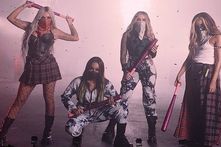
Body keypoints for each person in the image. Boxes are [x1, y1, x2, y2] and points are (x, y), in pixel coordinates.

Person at [0, 2, 79, 146]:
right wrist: (25, 6)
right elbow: (11, 18)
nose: (46, 20)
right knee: (19, 101)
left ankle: (47, 134)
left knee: (49, 100)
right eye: (43, 17)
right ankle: (2, 134)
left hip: (49, 66)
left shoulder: (54, 31)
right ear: (38, 17)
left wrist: (69, 23)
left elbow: (75, 37)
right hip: (32, 67)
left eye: (49, 18)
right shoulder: (30, 27)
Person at [102, 11, 158, 146]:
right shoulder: (127, 35)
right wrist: (125, 70)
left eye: (144, 19)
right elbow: (123, 55)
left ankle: (152, 134)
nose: (141, 21)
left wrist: (154, 51)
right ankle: (111, 130)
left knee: (149, 99)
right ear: (134, 20)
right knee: (123, 97)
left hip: (148, 69)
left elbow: (153, 55)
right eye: (138, 19)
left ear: (148, 21)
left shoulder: (150, 36)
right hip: (132, 68)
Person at [174, 12, 221, 147]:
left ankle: (207, 139)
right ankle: (191, 136)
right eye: (197, 26)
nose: (200, 28)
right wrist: (179, 74)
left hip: (207, 73)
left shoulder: (217, 38)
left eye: (202, 25)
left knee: (207, 107)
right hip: (192, 73)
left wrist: (214, 80)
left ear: (208, 23)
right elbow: (190, 58)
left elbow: (219, 61)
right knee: (192, 106)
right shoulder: (196, 39)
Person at [61, 57, 132, 147]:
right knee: (70, 127)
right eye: (91, 68)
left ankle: (120, 138)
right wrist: (74, 108)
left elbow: (118, 100)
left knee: (123, 107)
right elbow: (65, 96)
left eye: (97, 70)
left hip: (100, 113)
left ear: (101, 71)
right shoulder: (78, 81)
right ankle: (78, 136)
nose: (93, 72)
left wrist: (113, 103)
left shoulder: (106, 83)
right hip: (83, 114)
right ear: (87, 68)